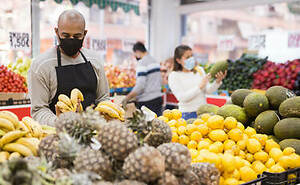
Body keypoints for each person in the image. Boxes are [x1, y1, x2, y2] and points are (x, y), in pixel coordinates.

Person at [28, 10, 109, 125]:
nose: (71, 40)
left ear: (84, 34)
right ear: (57, 32)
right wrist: (60, 123)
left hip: (93, 130)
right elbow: (39, 110)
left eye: (77, 36)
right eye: (65, 35)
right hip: (59, 135)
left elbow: (103, 98)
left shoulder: (95, 60)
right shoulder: (42, 65)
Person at [168, 45, 226, 120]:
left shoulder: (199, 70)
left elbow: (208, 90)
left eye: (191, 56)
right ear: (178, 60)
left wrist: (217, 81)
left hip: (204, 112)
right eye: (187, 57)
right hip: (187, 114)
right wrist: (200, 87)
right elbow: (182, 97)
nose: (191, 59)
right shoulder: (174, 76)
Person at [122, 42, 163, 116]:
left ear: (137, 52)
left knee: (148, 126)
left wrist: (127, 98)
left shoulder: (142, 63)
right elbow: (160, 80)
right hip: (158, 98)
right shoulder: (154, 60)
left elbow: (140, 85)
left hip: (147, 102)